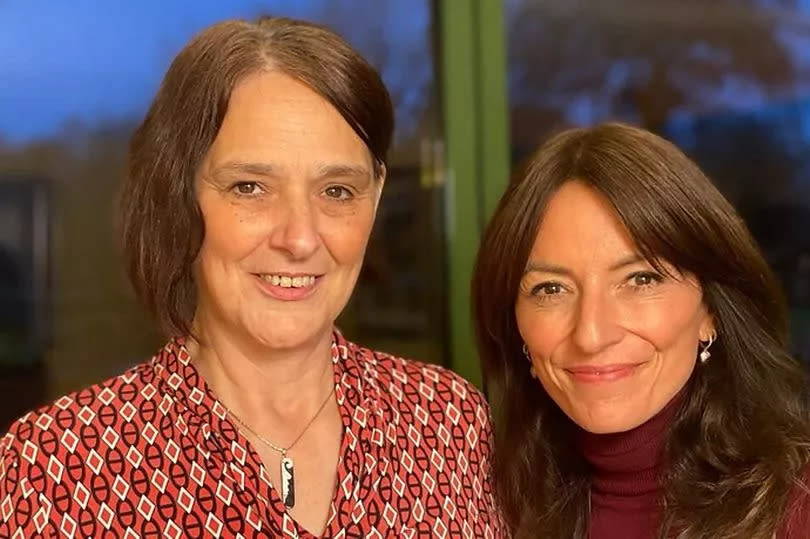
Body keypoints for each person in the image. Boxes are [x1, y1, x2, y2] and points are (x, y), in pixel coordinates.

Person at [0, 16, 501, 538]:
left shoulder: (447, 422)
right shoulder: (53, 467)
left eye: (336, 191)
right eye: (250, 187)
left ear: (374, 198)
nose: (300, 237)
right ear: (180, 196)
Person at [472, 122, 810, 538]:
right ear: (515, 324)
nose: (591, 335)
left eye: (641, 280)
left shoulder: (798, 503)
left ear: (710, 310)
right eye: (551, 289)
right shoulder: (482, 504)